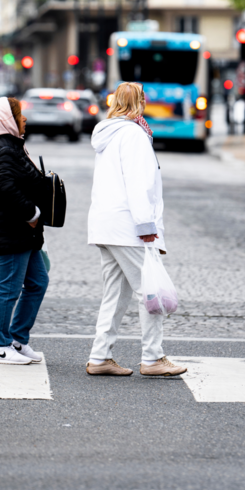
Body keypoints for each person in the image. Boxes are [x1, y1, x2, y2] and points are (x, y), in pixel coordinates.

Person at [85, 82, 187, 378]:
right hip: (128, 225)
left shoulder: (108, 132)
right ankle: (153, 357)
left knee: (115, 294)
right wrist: (146, 225)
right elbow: (138, 184)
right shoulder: (134, 135)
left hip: (105, 224)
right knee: (150, 291)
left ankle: (100, 356)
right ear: (140, 102)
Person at [0, 96, 49, 364]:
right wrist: (32, 214)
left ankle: (17, 340)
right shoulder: (4, 149)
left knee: (37, 283)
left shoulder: (9, 145)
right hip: (12, 230)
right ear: (8, 120)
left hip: (21, 232)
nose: (25, 119)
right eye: (20, 115)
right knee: (8, 288)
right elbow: (7, 188)